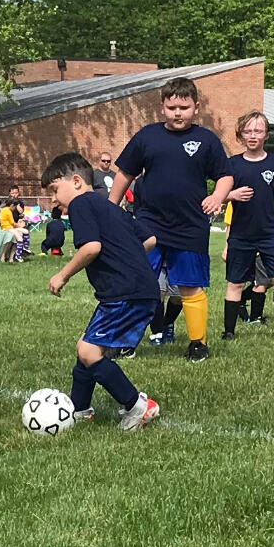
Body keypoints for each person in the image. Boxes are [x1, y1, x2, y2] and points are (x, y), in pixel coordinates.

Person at [113, 77, 235, 361]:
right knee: (141, 282)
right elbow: (125, 173)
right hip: (149, 223)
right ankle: (126, 341)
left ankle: (197, 343)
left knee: (190, 285)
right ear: (162, 107)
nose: (177, 113)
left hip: (190, 225)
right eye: (171, 107)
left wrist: (218, 196)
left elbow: (225, 175)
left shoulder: (207, 140)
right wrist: (110, 208)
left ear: (196, 107)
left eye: (184, 107)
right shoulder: (147, 136)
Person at [42, 152, 163, 431]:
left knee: (88, 351)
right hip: (136, 289)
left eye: (54, 190)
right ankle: (79, 409)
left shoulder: (81, 204)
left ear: (76, 181)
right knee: (86, 347)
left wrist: (62, 275)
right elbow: (149, 239)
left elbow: (91, 248)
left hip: (125, 292)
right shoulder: (109, 206)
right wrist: (126, 257)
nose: (53, 199)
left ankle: (138, 406)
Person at [216, 110, 274, 341]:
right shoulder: (232, 164)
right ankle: (229, 332)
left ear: (266, 135)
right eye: (248, 131)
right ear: (240, 135)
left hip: (270, 233)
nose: (253, 135)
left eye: (258, 131)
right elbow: (217, 196)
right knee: (236, 283)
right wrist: (232, 194)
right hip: (241, 234)